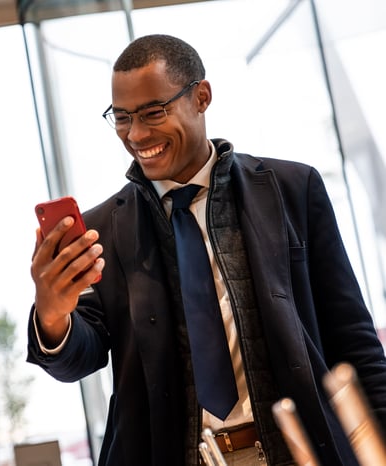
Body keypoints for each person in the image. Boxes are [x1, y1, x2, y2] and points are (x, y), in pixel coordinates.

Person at [27, 34, 386, 466]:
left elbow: (354, 342)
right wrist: (53, 316)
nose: (136, 134)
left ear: (202, 96)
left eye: (152, 113)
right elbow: (78, 362)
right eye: (121, 118)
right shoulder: (103, 229)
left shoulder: (293, 190)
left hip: (301, 450)